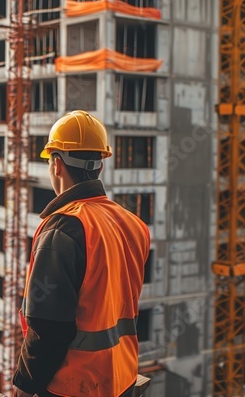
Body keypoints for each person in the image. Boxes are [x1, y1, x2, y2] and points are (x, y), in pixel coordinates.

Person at [12, 111, 151, 397]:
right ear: (99, 167)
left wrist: (25, 386)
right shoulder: (133, 224)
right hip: (120, 380)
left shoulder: (63, 229)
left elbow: (48, 328)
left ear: (57, 164)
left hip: (74, 386)